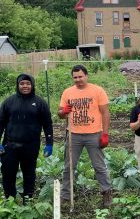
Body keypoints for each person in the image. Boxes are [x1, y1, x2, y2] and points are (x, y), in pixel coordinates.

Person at [58, 65, 112, 208]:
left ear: (86, 76)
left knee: (99, 166)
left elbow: (105, 113)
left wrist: (105, 134)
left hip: (94, 134)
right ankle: (65, 196)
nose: (78, 80)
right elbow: (60, 114)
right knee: (69, 166)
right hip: (73, 134)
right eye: (75, 77)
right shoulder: (68, 92)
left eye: (80, 76)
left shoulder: (97, 90)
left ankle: (106, 192)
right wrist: (63, 111)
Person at [0, 74, 53, 203]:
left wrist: (49, 143)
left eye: (28, 84)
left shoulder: (40, 102)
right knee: (8, 174)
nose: (25, 86)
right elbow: (1, 122)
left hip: (31, 146)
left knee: (29, 174)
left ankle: (27, 200)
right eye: (22, 84)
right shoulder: (9, 102)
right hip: (10, 146)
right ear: (18, 85)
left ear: (32, 85)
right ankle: (10, 201)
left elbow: (47, 123)